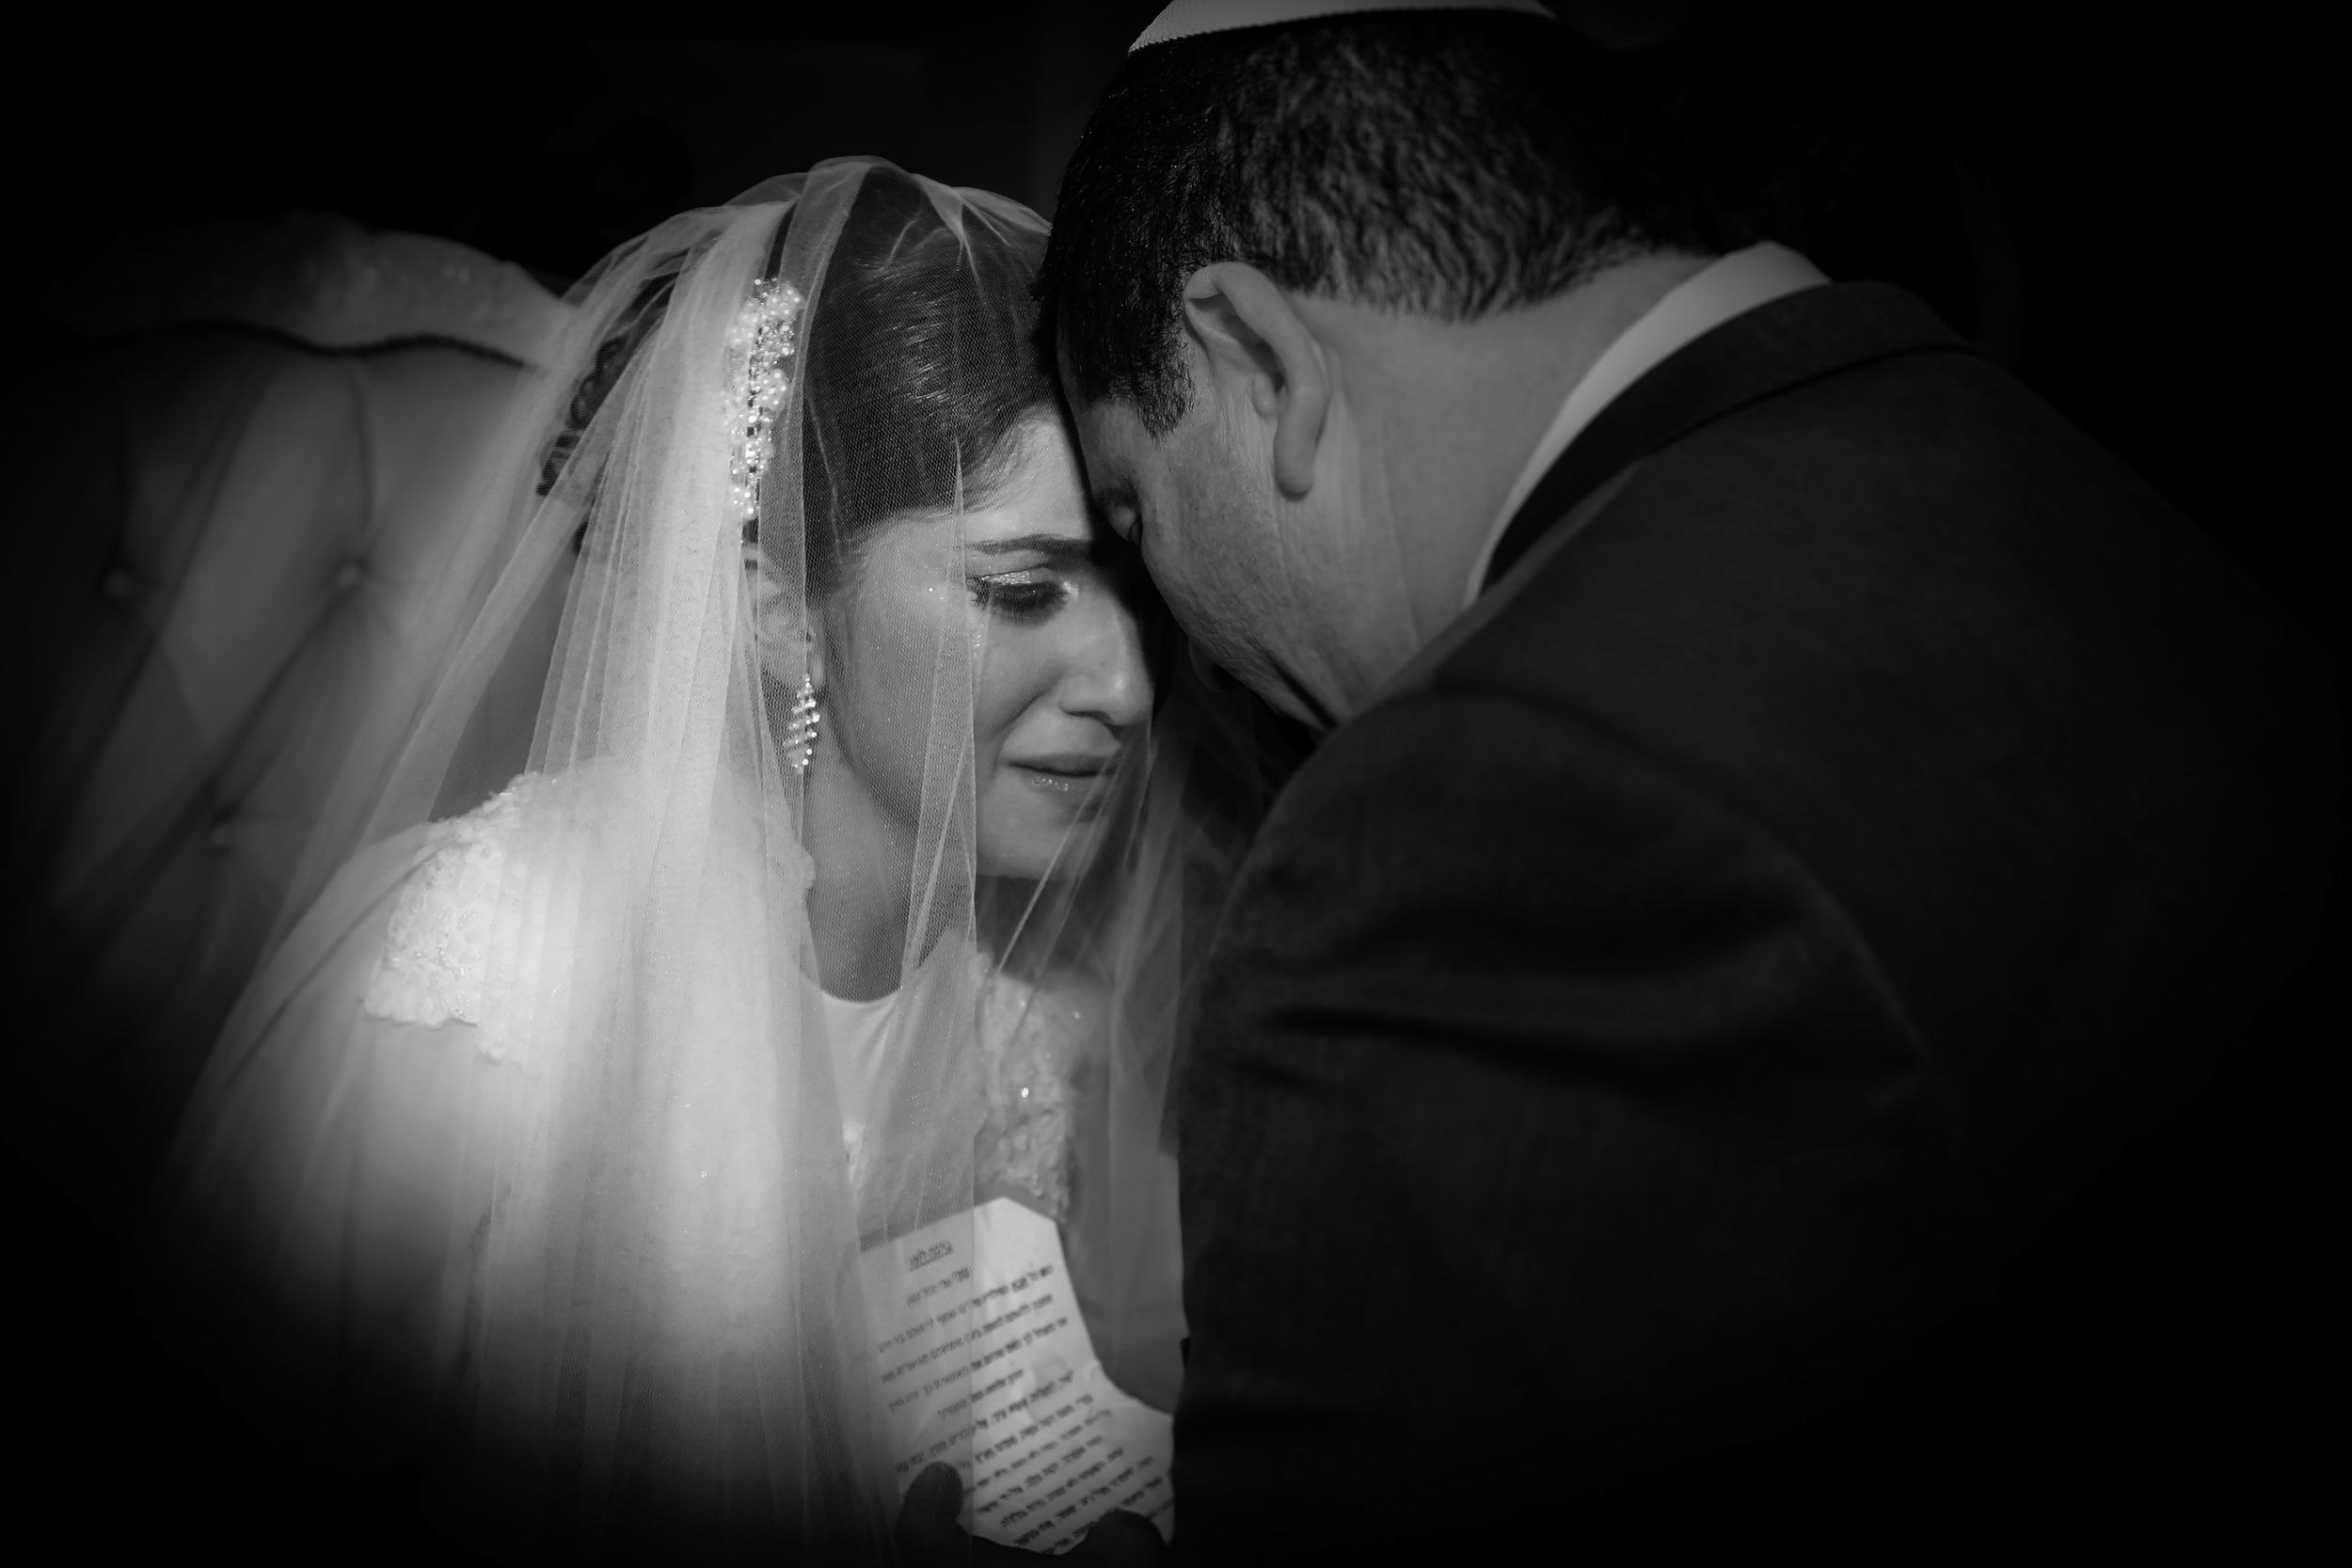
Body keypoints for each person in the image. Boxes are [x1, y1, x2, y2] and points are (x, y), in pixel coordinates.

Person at [897, 1, 2340, 1559]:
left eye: (1134, 512)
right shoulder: (2033, 469)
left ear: (1261, 358)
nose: (1164, 647)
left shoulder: (1473, 815)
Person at [154, 158, 1261, 1561]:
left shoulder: (1015, 1018)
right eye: (1024, 590)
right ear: (783, 606)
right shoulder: (497, 979)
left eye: (1132, 591)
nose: (1125, 683)